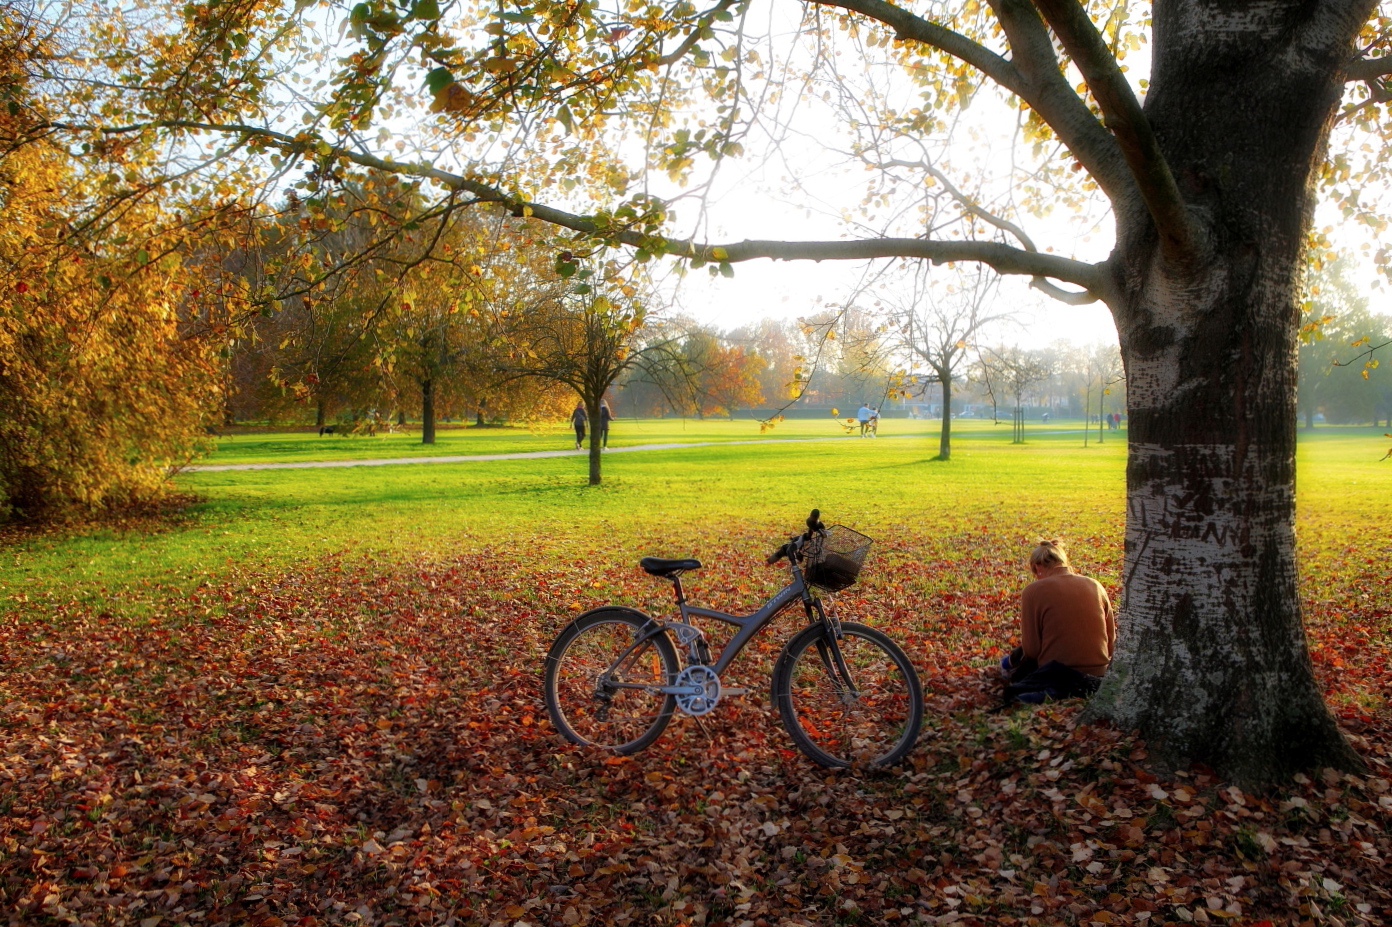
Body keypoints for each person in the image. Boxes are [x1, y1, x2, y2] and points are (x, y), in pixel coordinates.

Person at [1000, 539, 1115, 705]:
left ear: (1037, 566)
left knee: (1020, 674)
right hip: (1098, 672)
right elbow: (1111, 641)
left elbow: (1032, 650)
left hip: (1054, 673)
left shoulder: (1033, 591)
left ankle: (1013, 670)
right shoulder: (1095, 585)